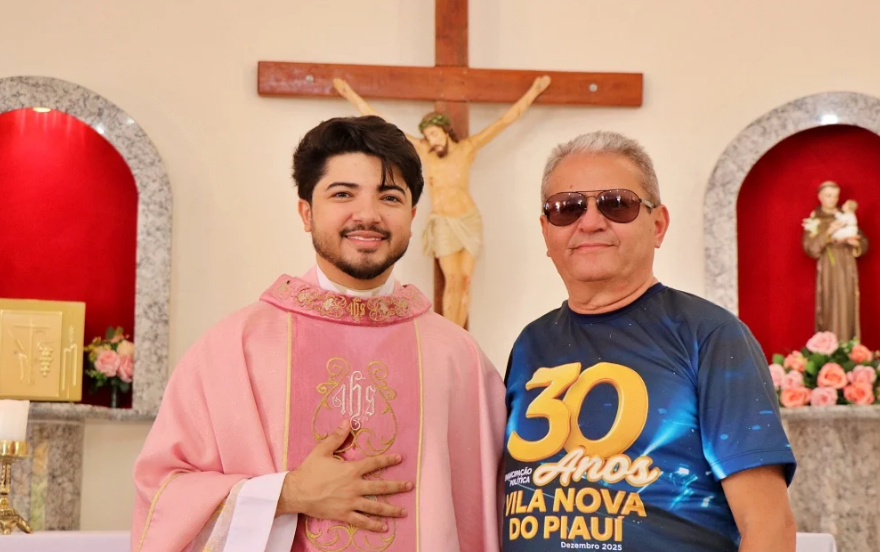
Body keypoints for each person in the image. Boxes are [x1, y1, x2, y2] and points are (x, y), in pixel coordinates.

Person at [131, 115, 506, 552]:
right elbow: (161, 494)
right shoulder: (236, 348)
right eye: (343, 194)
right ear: (306, 212)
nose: (367, 215)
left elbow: (503, 506)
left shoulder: (457, 357)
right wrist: (287, 494)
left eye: (389, 197)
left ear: (411, 215)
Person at [502, 131, 797, 552]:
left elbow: (769, 526)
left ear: (657, 225)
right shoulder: (530, 344)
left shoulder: (710, 336)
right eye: (567, 208)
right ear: (546, 231)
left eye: (616, 203)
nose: (590, 222)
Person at [333, 75, 551, 327]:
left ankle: (462, 337)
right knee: (453, 280)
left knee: (465, 281)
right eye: (428, 135)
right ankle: (450, 333)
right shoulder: (425, 152)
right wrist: (350, 94)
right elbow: (384, 122)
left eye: (435, 134)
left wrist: (534, 91)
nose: (432, 139)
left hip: (468, 219)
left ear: (446, 132)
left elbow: (504, 121)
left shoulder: (467, 149)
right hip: (444, 222)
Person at [802, 181, 869, 341]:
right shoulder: (815, 220)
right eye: (828, 196)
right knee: (829, 305)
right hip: (828, 269)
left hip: (847, 266)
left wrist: (856, 243)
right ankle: (828, 347)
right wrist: (829, 232)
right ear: (820, 197)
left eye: (835, 196)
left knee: (847, 305)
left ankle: (848, 346)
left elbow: (863, 242)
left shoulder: (845, 216)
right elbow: (810, 248)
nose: (833, 200)